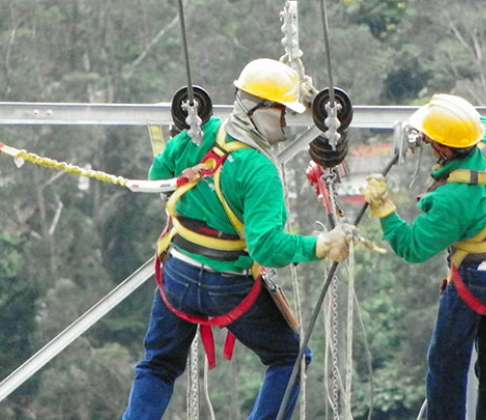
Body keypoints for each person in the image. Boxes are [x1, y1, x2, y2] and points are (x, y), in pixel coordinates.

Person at [123, 58, 353, 420]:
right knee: (289, 359)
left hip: (178, 272)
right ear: (260, 110)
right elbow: (268, 248)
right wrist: (320, 246)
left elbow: (160, 176)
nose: (285, 122)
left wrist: (191, 199)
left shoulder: (201, 135)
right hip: (226, 284)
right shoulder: (259, 170)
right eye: (282, 111)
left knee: (158, 365)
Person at [361, 94, 486, 420]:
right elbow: (468, 122)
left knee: (446, 365)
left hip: (477, 281)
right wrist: (424, 127)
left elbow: (412, 247)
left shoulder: (454, 198)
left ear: (446, 149)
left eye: (432, 140)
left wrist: (384, 210)